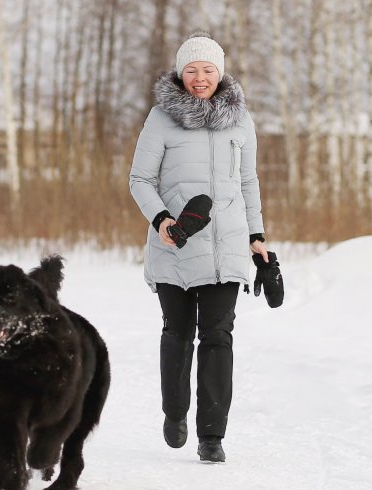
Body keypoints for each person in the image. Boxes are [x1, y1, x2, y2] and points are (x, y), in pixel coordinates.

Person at [128, 31, 269, 462]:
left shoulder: (240, 120)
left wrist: (257, 237)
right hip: (176, 241)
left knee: (218, 336)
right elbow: (140, 180)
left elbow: (247, 182)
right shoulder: (160, 118)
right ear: (180, 73)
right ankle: (175, 412)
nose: (200, 77)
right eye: (192, 70)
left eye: (208, 69)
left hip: (226, 244)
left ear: (220, 73)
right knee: (177, 333)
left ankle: (212, 436)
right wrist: (162, 219)